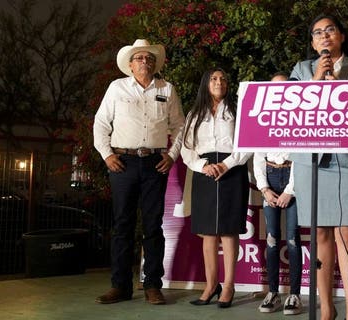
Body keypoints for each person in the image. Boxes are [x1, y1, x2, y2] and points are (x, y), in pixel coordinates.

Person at [289, 14, 348, 320]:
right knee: (319, 235)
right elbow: (293, 110)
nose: (324, 36)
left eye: (330, 30)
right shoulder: (300, 69)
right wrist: (315, 81)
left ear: (341, 36)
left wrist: (338, 88)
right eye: (317, 33)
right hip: (312, 161)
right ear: (312, 42)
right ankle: (326, 310)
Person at [93, 39, 185, 305]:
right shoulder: (116, 88)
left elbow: (179, 126)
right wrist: (107, 154)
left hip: (155, 163)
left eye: (149, 58)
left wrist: (171, 154)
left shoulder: (167, 89)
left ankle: (152, 285)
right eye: (140, 58)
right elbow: (100, 123)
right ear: (130, 64)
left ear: (155, 64)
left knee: (153, 225)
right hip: (122, 162)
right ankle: (119, 287)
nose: (145, 62)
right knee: (122, 225)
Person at [180, 67, 251, 309]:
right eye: (213, 78)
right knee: (208, 232)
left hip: (232, 171)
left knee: (229, 231)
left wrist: (226, 164)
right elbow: (186, 148)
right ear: (205, 83)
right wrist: (203, 166)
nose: (219, 81)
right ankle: (211, 285)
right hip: (205, 173)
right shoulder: (194, 114)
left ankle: (229, 286)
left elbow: (248, 142)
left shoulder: (238, 110)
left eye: (222, 78)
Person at [254, 73, 303, 315]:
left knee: (293, 239)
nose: (279, 92)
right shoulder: (262, 116)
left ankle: (294, 294)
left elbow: (302, 156)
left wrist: (290, 191)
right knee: (272, 239)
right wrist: (264, 188)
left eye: (284, 88)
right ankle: (272, 291)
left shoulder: (300, 117)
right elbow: (257, 155)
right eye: (274, 88)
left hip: (293, 177)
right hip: (270, 178)